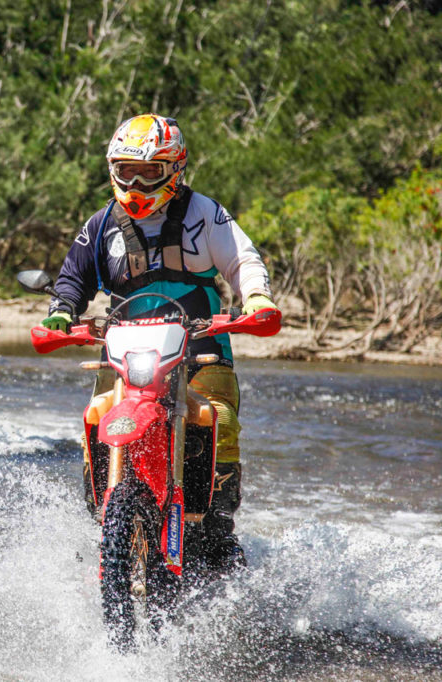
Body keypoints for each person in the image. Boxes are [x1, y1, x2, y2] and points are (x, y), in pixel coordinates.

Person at [42, 114, 279, 571]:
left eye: (149, 171)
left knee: (219, 420)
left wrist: (256, 297)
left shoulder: (205, 213)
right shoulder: (101, 224)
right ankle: (104, 518)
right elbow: (72, 278)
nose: (135, 181)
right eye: (126, 170)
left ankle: (217, 531)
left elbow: (243, 260)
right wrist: (60, 313)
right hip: (125, 352)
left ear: (175, 169)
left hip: (201, 347)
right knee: (97, 419)